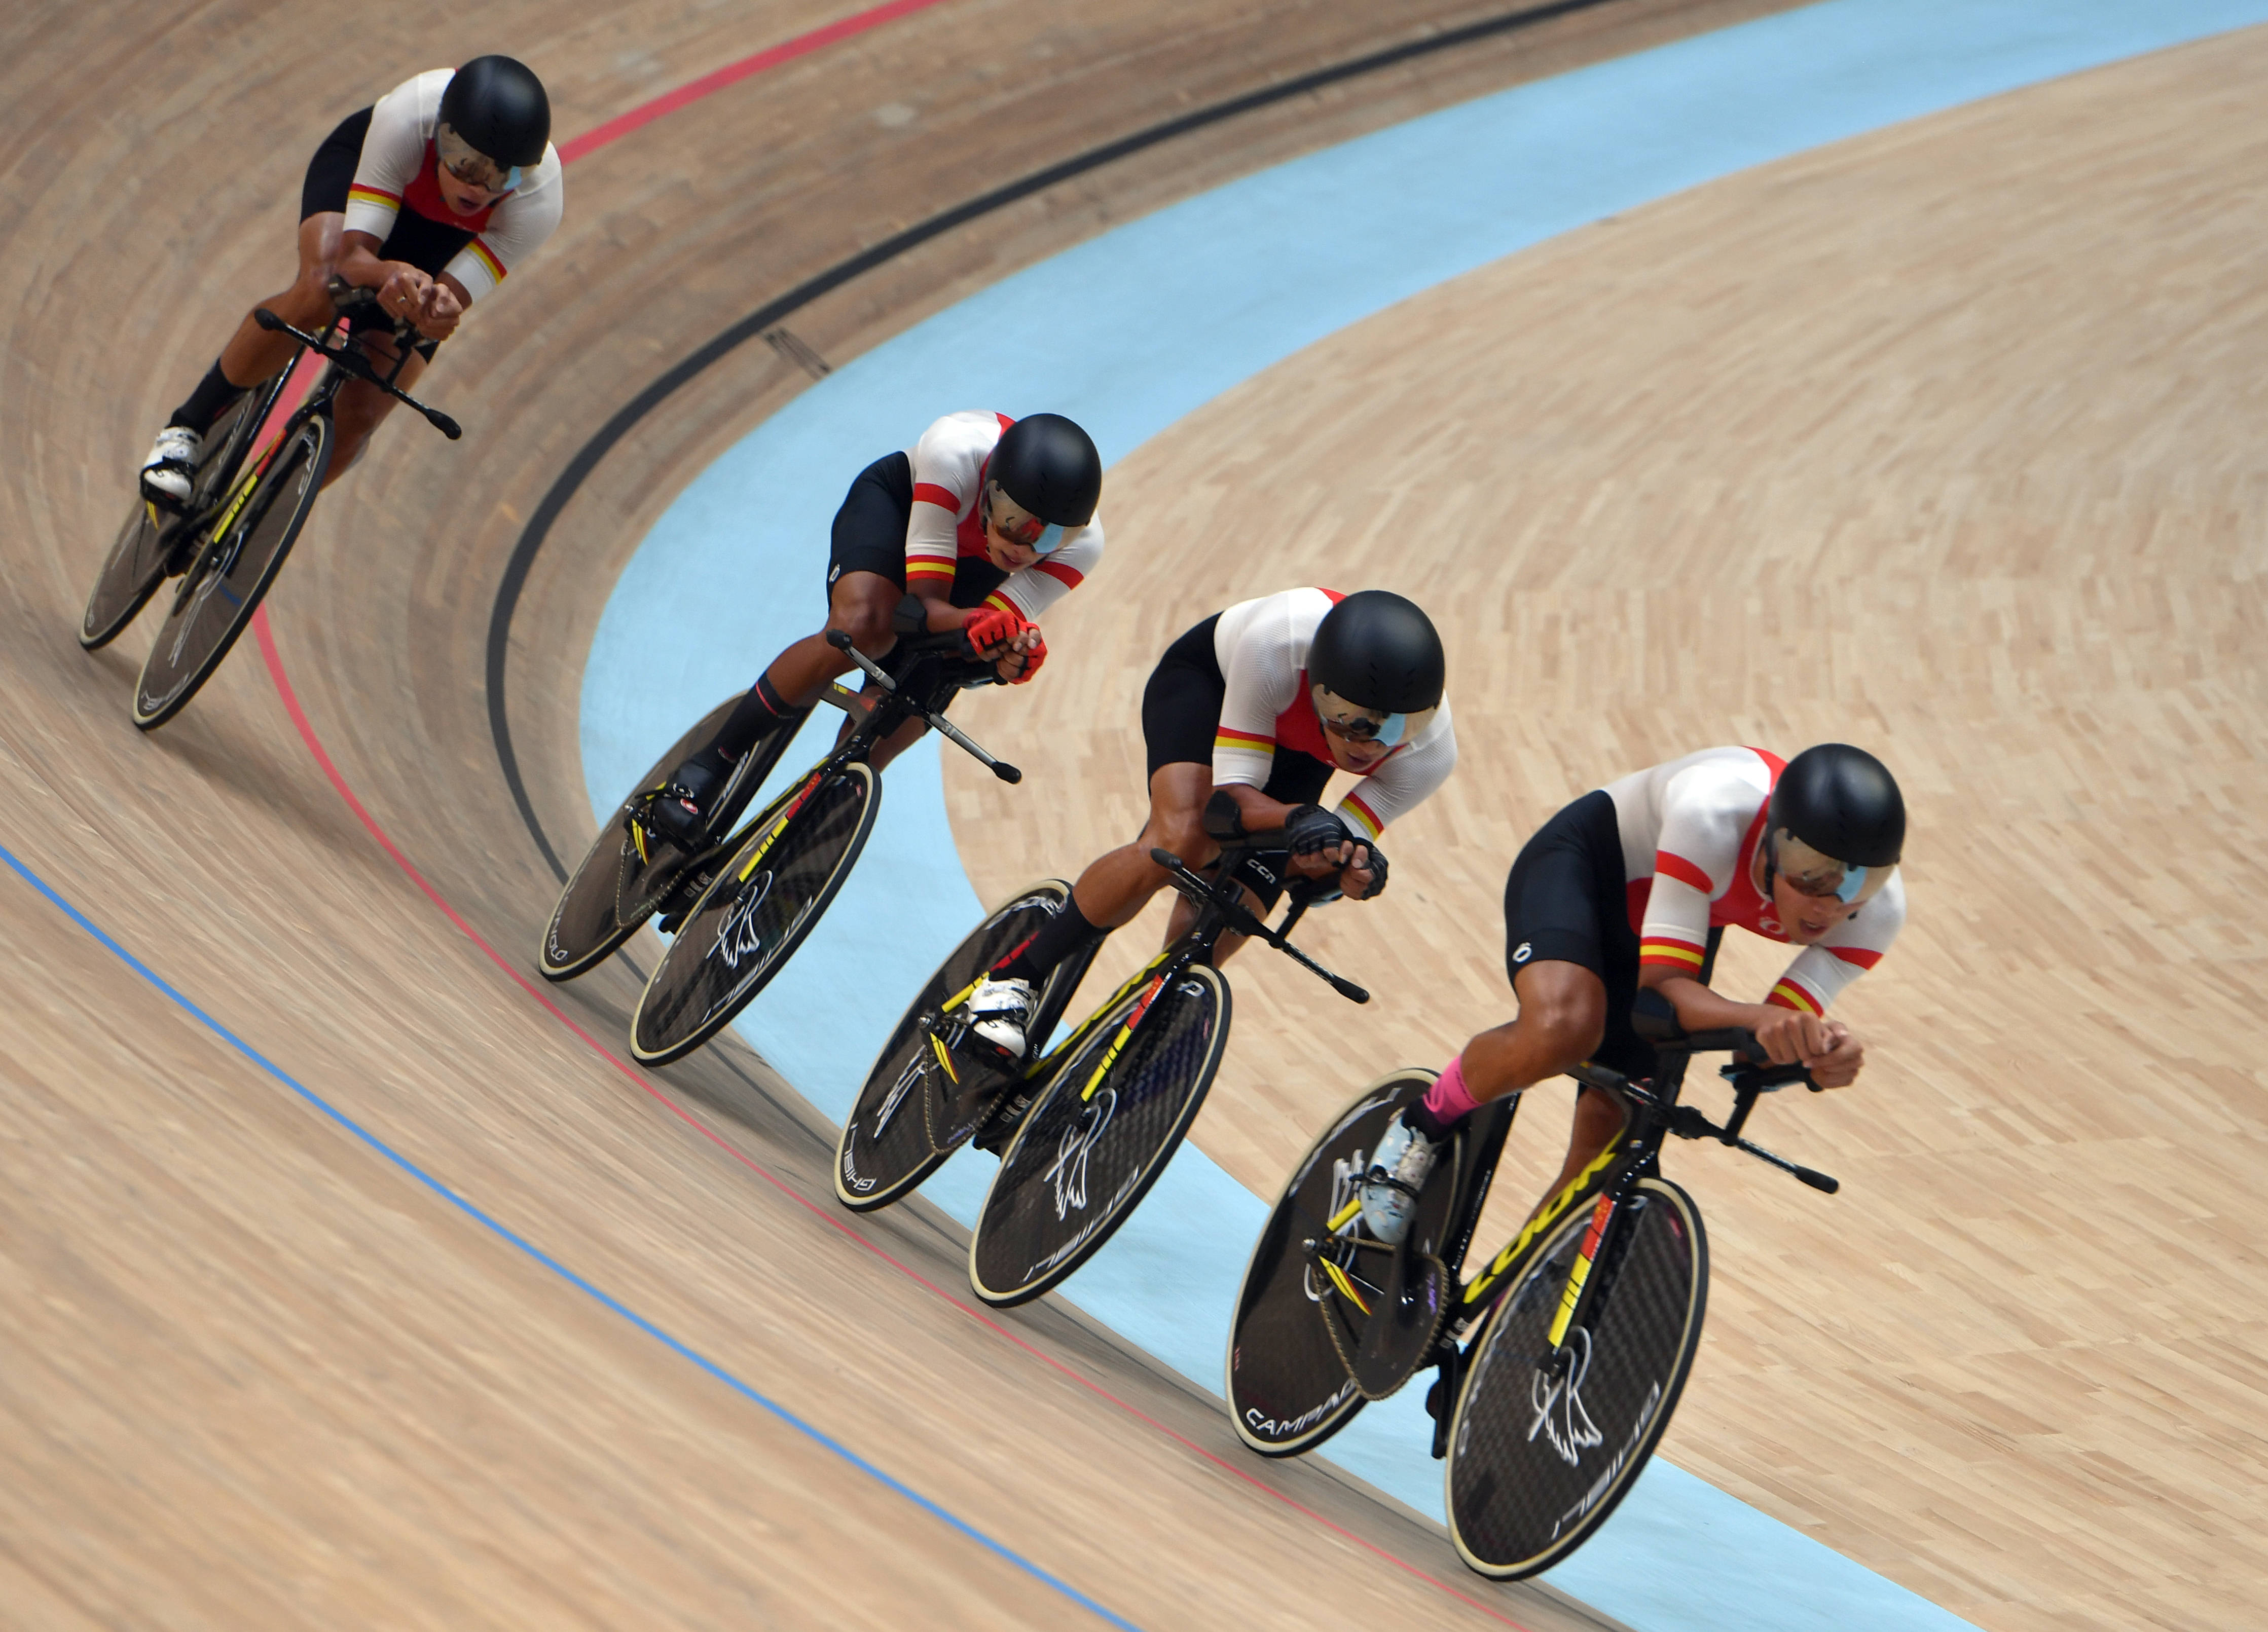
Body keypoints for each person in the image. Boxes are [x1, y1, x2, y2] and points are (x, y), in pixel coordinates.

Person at [1358, 742, 1907, 1244]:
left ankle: (1510, 1316)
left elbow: (1757, 1044)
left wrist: (1818, 1051)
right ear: (1770, 841)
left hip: (1678, 910)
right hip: (1588, 865)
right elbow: (1665, 991)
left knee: (1610, 1157)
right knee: (1564, 1027)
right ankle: (1422, 1123)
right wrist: (1769, 1022)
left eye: (1858, 884)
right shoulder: (1712, 815)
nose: (1827, 907)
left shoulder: (1876, 916)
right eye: (1811, 875)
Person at [961, 586, 1458, 1059]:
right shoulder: (1278, 641)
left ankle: (1136, 1029)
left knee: (1244, 901)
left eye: (1398, 728)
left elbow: (1325, 849)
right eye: (1355, 721)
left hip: (1304, 752)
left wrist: (1351, 866)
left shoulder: (1429, 752)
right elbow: (1228, 809)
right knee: (1185, 838)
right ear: (1321, 688)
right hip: (1212, 687)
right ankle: (1014, 976)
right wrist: (1298, 819)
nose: (1370, 746)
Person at [645, 409, 1104, 846]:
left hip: (969, 573)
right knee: (867, 627)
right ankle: (712, 763)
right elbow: (920, 608)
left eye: (1048, 537)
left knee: (913, 704)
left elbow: (980, 636)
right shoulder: (955, 450)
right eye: (1014, 522)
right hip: (900, 512)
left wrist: (1007, 656)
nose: (1025, 546)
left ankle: (802, 847)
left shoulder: (1083, 546)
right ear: (990, 490)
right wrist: (979, 626)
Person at [139, 57, 563, 504]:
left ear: (525, 172)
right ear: (441, 133)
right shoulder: (408, 116)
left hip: (442, 240)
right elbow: (351, 261)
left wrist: (436, 313)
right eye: (464, 161)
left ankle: (260, 514)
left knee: (364, 411)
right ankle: (186, 429)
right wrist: (388, 273)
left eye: (501, 174)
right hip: (373, 174)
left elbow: (444, 302)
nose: (478, 186)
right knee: (322, 289)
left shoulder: (538, 203)